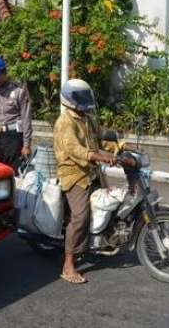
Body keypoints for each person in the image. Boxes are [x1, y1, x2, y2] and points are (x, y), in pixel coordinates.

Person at [53, 78, 123, 284]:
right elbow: (75, 149)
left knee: (108, 204)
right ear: (70, 99)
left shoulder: (87, 118)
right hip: (74, 174)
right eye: (80, 98)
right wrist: (100, 157)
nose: (85, 101)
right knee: (80, 217)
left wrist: (123, 147)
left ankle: (99, 242)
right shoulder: (65, 122)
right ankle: (68, 265)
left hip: (91, 171)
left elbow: (99, 141)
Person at [0, 57, 32, 173]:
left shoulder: (19, 92)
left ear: (4, 73)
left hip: (12, 138)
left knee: (13, 173)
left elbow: (26, 119)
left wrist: (27, 144)